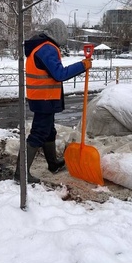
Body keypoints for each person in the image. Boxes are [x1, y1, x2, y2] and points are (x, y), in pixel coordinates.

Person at [14, 19, 92, 183]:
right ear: (58, 33)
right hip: (44, 99)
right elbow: (59, 74)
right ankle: (21, 173)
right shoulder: (47, 48)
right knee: (38, 134)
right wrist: (82, 65)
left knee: (49, 131)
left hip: (42, 98)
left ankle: (53, 164)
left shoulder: (41, 46)